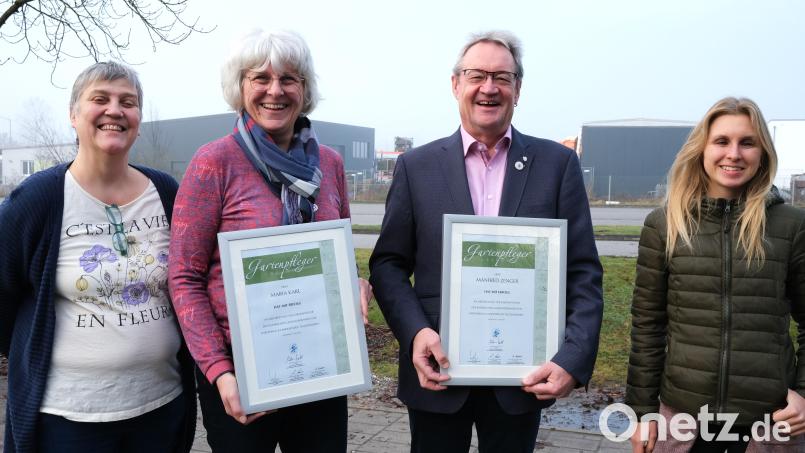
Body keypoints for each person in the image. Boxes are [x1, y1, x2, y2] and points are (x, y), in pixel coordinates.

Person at [369, 30, 604, 453]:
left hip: (522, 381)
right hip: (437, 374)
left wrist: (572, 358)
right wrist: (415, 332)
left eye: (502, 77)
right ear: (456, 84)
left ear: (518, 88)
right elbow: (387, 264)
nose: (489, 88)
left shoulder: (557, 165)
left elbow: (582, 272)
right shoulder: (416, 168)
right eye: (476, 75)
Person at [168, 29, 370, 453]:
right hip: (240, 373)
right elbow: (184, 277)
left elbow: (340, 255)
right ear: (240, 87)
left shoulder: (329, 164)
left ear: (305, 89)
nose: (274, 91)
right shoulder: (214, 162)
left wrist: (355, 283)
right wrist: (219, 371)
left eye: (289, 79)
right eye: (260, 78)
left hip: (320, 367)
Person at [0, 61, 197, 453]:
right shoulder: (39, 199)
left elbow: (191, 280)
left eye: (128, 101)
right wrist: (27, 348)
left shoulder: (167, 192)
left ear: (138, 118)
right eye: (100, 99)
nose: (115, 110)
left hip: (160, 407)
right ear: (74, 115)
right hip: (70, 418)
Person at [626, 97, 805, 453]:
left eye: (747, 142)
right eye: (722, 141)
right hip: (684, 421)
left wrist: (802, 393)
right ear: (702, 149)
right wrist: (643, 412)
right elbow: (647, 325)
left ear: (763, 152)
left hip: (769, 423)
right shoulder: (665, 225)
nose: (734, 154)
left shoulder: (791, 225)